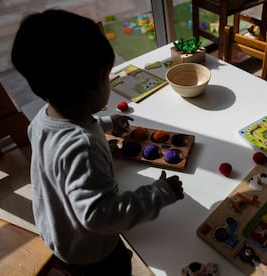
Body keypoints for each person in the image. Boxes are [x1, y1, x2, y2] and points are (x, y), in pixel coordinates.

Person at [11, 9, 184, 275]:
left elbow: (65, 141)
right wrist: (159, 193)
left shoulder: (41, 119)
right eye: (107, 76)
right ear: (91, 86)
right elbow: (99, 216)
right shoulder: (83, 146)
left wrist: (103, 123)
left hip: (57, 229)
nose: (110, 83)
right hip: (87, 251)